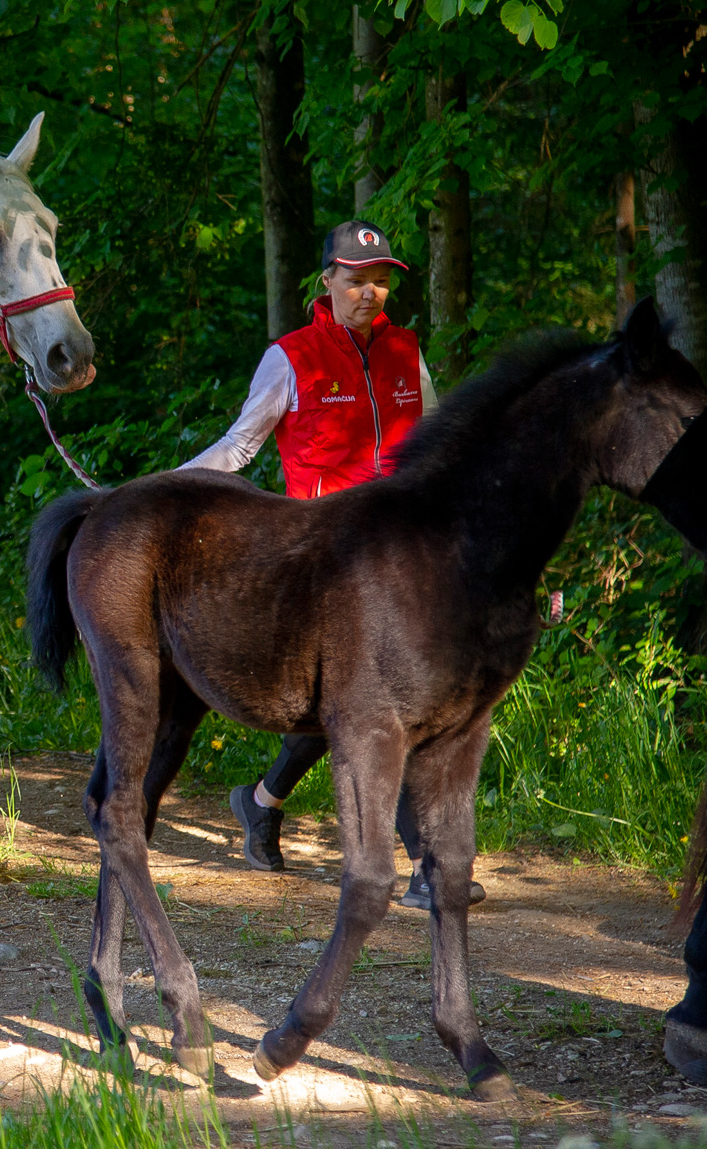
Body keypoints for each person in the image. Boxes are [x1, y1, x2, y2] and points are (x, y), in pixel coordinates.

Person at [182, 220, 480, 911]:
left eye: (380, 279)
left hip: (402, 557)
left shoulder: (407, 352)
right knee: (384, 703)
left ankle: (260, 803)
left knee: (361, 706)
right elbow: (238, 448)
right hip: (323, 561)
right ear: (326, 281)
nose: (369, 291)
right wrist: (160, 493)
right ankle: (429, 865)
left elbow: (436, 446)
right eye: (355, 279)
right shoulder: (290, 358)